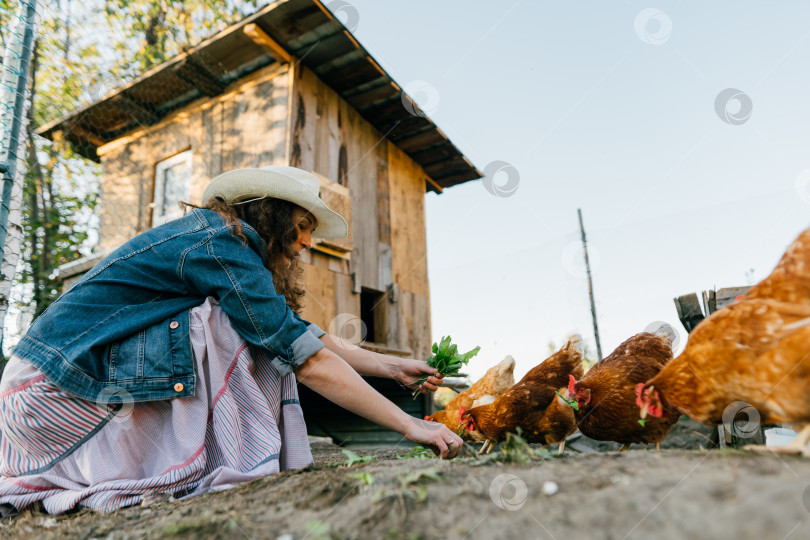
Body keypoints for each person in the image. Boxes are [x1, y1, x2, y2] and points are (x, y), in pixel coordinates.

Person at [0, 165, 463, 516]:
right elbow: (305, 357)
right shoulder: (225, 246)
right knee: (226, 324)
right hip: (47, 397)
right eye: (303, 226)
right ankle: (226, 454)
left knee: (249, 324)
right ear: (274, 213)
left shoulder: (217, 240)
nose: (306, 242)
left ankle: (201, 453)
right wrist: (411, 425)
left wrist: (390, 367)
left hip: (37, 390)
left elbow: (296, 331)